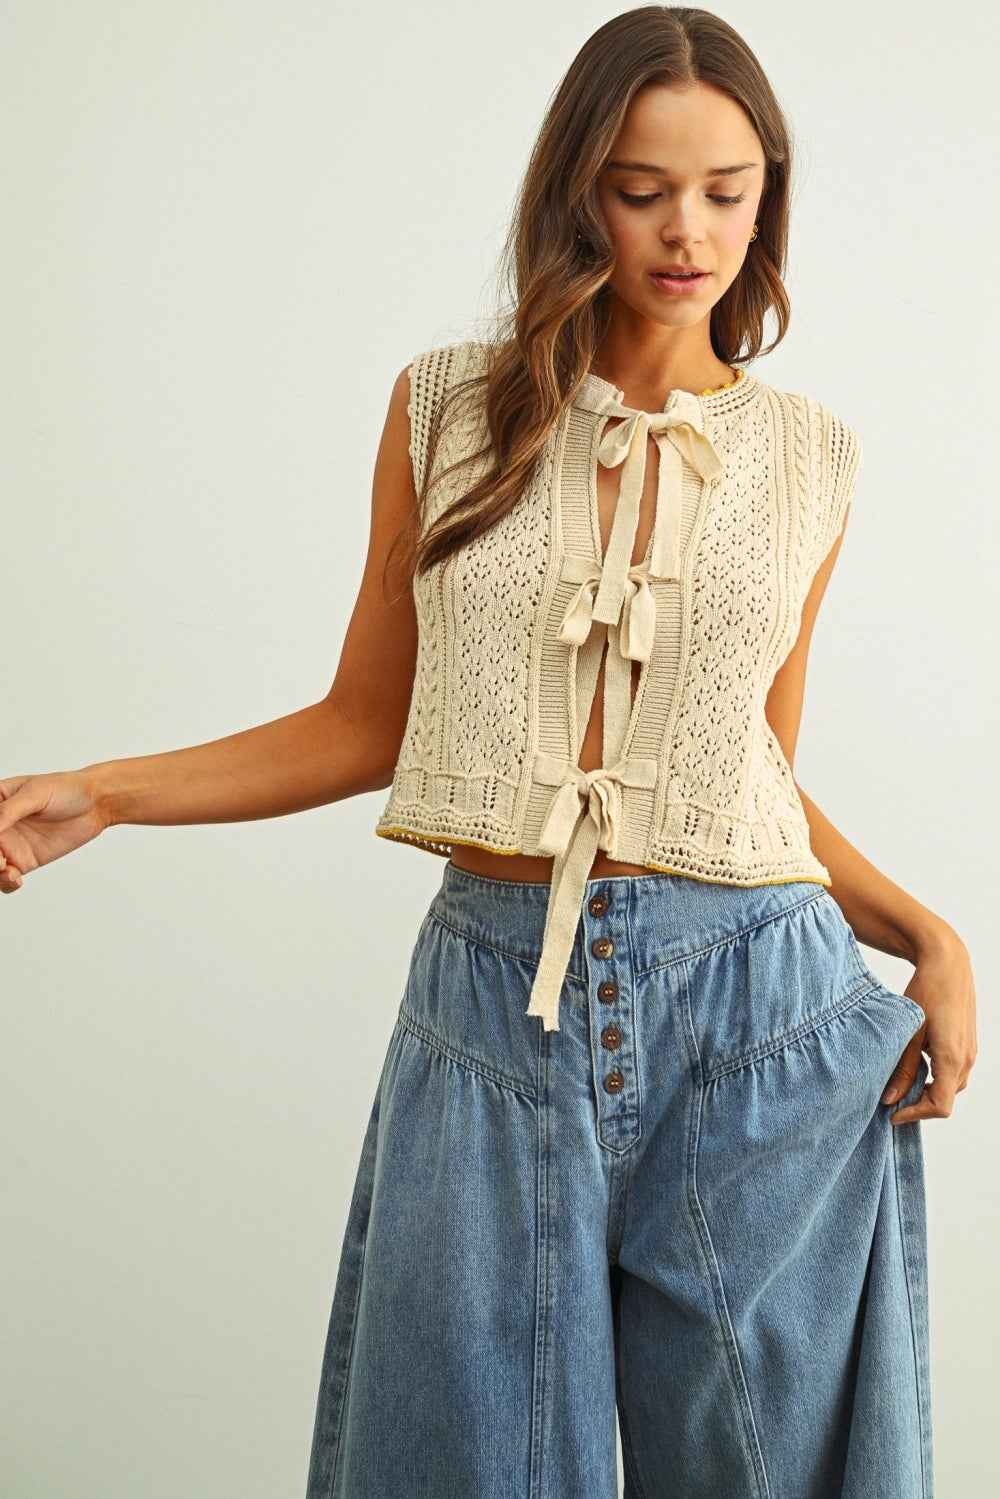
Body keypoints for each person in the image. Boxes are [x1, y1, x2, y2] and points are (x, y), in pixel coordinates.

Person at [0, 5, 978, 1496]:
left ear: (769, 193)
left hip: (759, 1021)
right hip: (491, 999)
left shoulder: (812, 456)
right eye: (642, 187)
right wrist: (108, 794)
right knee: (457, 1462)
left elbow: (746, 784)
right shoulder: (449, 408)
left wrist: (928, 937)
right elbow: (368, 721)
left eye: (728, 189)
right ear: (578, 185)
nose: (686, 230)